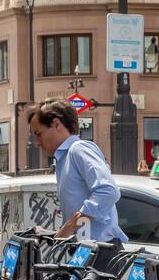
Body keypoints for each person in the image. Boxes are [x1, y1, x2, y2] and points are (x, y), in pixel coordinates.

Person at [27, 98, 127, 244]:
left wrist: (69, 227)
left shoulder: (78, 149)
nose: (37, 142)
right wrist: (58, 232)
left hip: (99, 252)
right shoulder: (64, 157)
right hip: (86, 250)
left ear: (56, 124)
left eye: (39, 133)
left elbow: (108, 191)